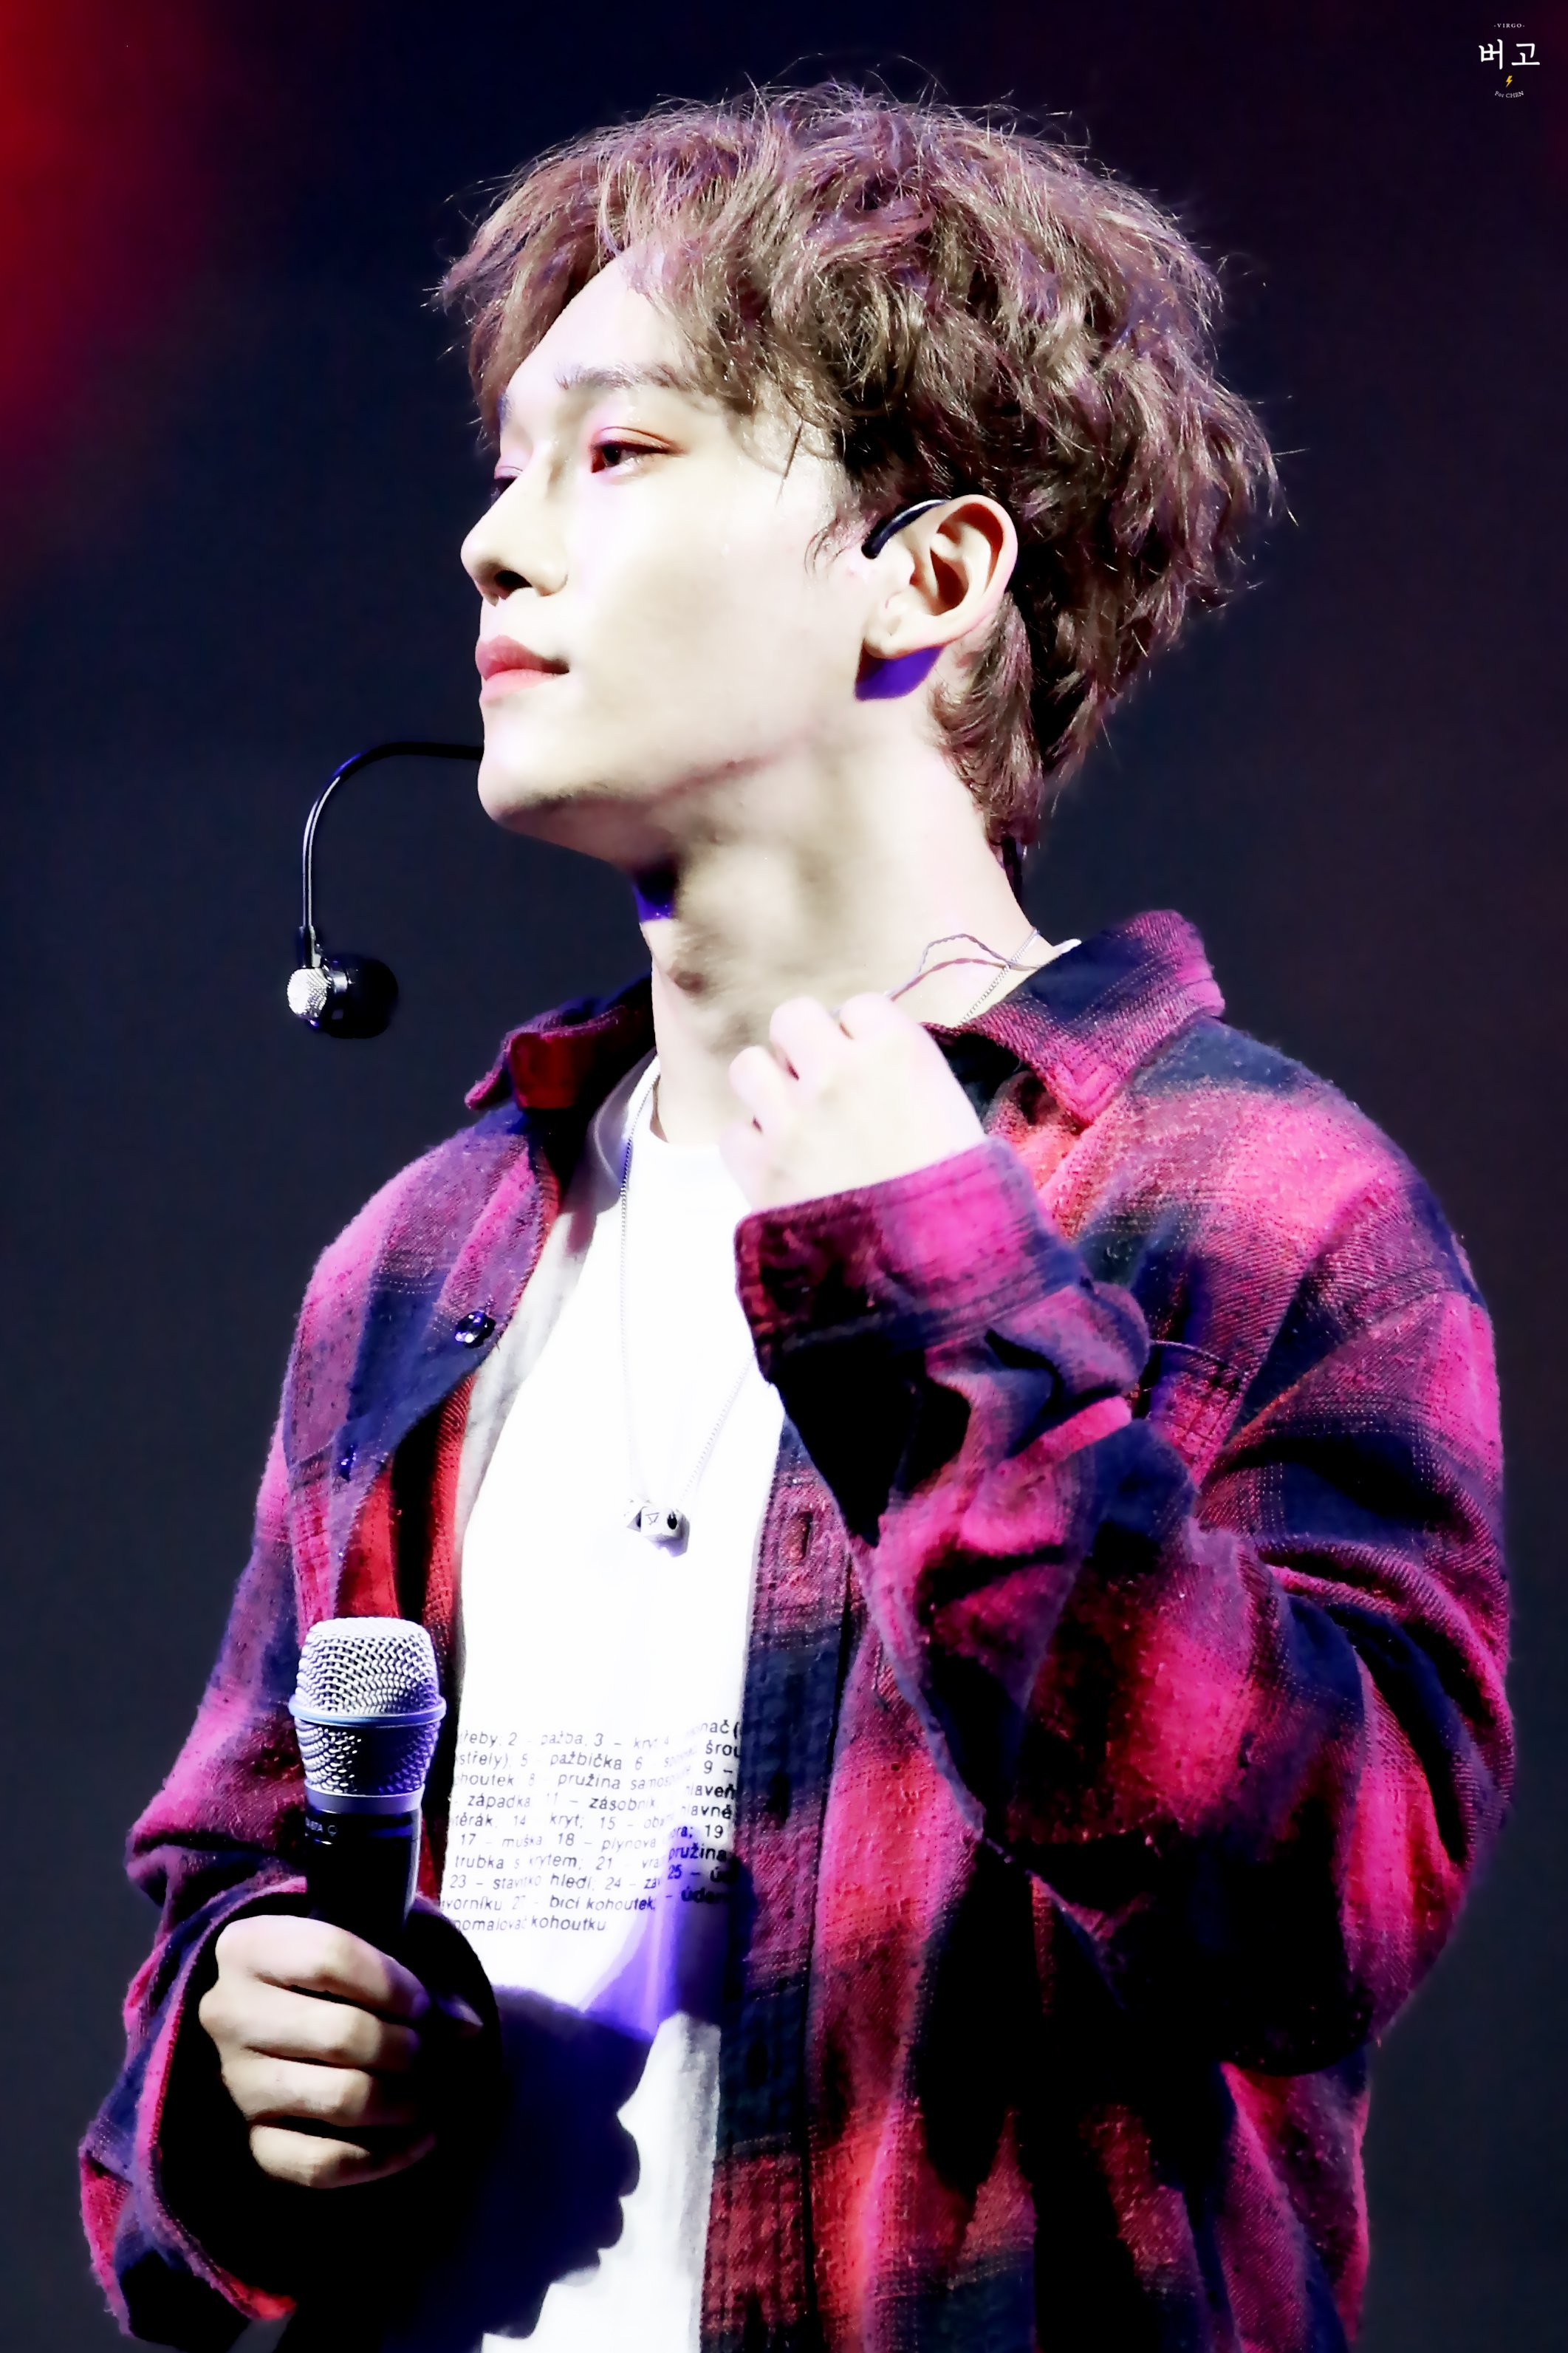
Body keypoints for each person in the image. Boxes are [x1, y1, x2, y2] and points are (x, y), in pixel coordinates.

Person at [81, 86, 1510, 2353]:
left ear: (924, 579)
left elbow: (1316, 1909)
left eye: (617, 452)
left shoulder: (1251, 1200)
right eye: (506, 465)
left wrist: (927, 1278)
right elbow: (206, 1972)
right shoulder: (427, 1256)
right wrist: (250, 2059)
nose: (491, 542)